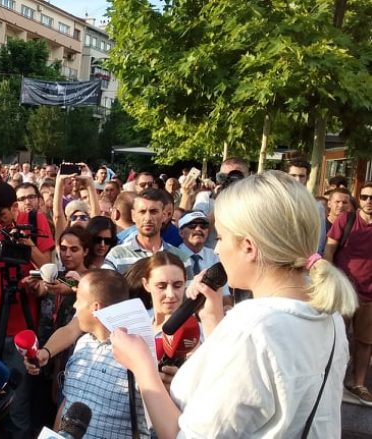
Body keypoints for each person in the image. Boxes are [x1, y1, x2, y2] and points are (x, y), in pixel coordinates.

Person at [111, 170, 358, 438]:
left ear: (249, 247)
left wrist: (142, 366)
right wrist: (213, 320)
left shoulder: (253, 328)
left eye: (220, 238)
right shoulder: (326, 313)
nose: (216, 250)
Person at [0, 181, 54, 438]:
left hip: (23, 326)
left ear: (15, 207)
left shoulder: (36, 222)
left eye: (2, 215)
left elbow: (48, 267)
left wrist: (26, 244)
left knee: (17, 404)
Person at [26, 269, 148, 438]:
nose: (75, 306)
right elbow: (69, 403)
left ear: (95, 308)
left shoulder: (137, 355)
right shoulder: (83, 345)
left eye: (79, 300)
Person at [325, 182, 372, 405]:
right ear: (359, 199)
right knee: (337, 337)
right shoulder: (347, 219)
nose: (368, 201)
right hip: (344, 289)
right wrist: (328, 277)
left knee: (365, 341)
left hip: (370, 294)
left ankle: (358, 383)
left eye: (371, 197)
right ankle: (331, 379)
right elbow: (330, 248)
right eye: (364, 197)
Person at [103, 189, 192, 276]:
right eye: (142, 212)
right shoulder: (116, 256)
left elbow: (187, 290)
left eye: (154, 212)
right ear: (133, 216)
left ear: (164, 216)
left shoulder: (181, 258)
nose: (148, 218)